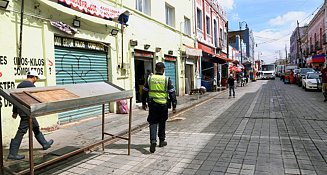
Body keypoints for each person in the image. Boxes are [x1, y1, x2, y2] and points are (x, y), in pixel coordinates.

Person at [8, 70, 54, 160]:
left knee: (35, 126)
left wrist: (15, 112)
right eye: (36, 78)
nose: (36, 80)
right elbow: (35, 100)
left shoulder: (19, 85)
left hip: (22, 110)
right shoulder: (31, 86)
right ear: (33, 77)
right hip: (27, 111)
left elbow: (15, 99)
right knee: (21, 131)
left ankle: (45, 144)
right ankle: (12, 153)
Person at [142, 62, 177, 153]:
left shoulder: (150, 79)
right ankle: (161, 141)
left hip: (152, 104)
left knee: (153, 122)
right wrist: (174, 105)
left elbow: (144, 91)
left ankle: (153, 141)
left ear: (156, 69)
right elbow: (172, 93)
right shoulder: (166, 79)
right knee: (162, 122)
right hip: (163, 105)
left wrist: (143, 103)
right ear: (163, 69)